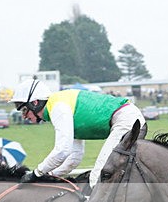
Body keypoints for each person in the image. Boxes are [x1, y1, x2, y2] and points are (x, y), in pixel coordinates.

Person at [10, 79, 146, 186]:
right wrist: (50, 175)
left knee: (97, 177)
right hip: (128, 119)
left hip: (126, 120)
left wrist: (37, 173)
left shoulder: (58, 108)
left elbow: (62, 151)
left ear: (35, 103)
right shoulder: (60, 107)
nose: (24, 116)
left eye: (24, 110)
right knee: (104, 177)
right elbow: (75, 157)